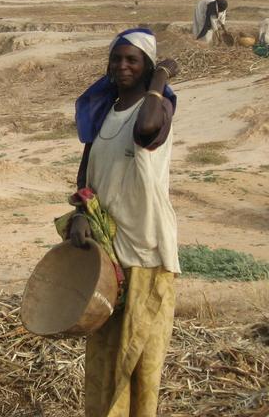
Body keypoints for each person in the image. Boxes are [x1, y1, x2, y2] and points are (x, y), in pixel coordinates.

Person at [69, 28, 180, 416]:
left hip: (147, 252)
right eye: (117, 59)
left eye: (133, 60)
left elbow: (146, 130)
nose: (122, 66)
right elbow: (86, 177)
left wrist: (161, 79)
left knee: (140, 363)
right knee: (104, 359)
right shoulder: (103, 114)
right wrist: (82, 214)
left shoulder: (157, 108)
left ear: (146, 66)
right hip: (108, 257)